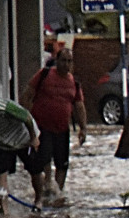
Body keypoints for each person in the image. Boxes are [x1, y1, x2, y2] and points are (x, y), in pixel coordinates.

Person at [20, 46, 87, 207]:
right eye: (63, 60)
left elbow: (79, 106)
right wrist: (26, 121)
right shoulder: (44, 75)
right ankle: (45, 188)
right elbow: (27, 95)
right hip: (42, 128)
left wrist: (83, 128)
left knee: (62, 162)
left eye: (69, 61)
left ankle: (58, 193)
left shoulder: (74, 83)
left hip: (62, 129)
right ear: (57, 61)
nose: (66, 64)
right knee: (43, 159)